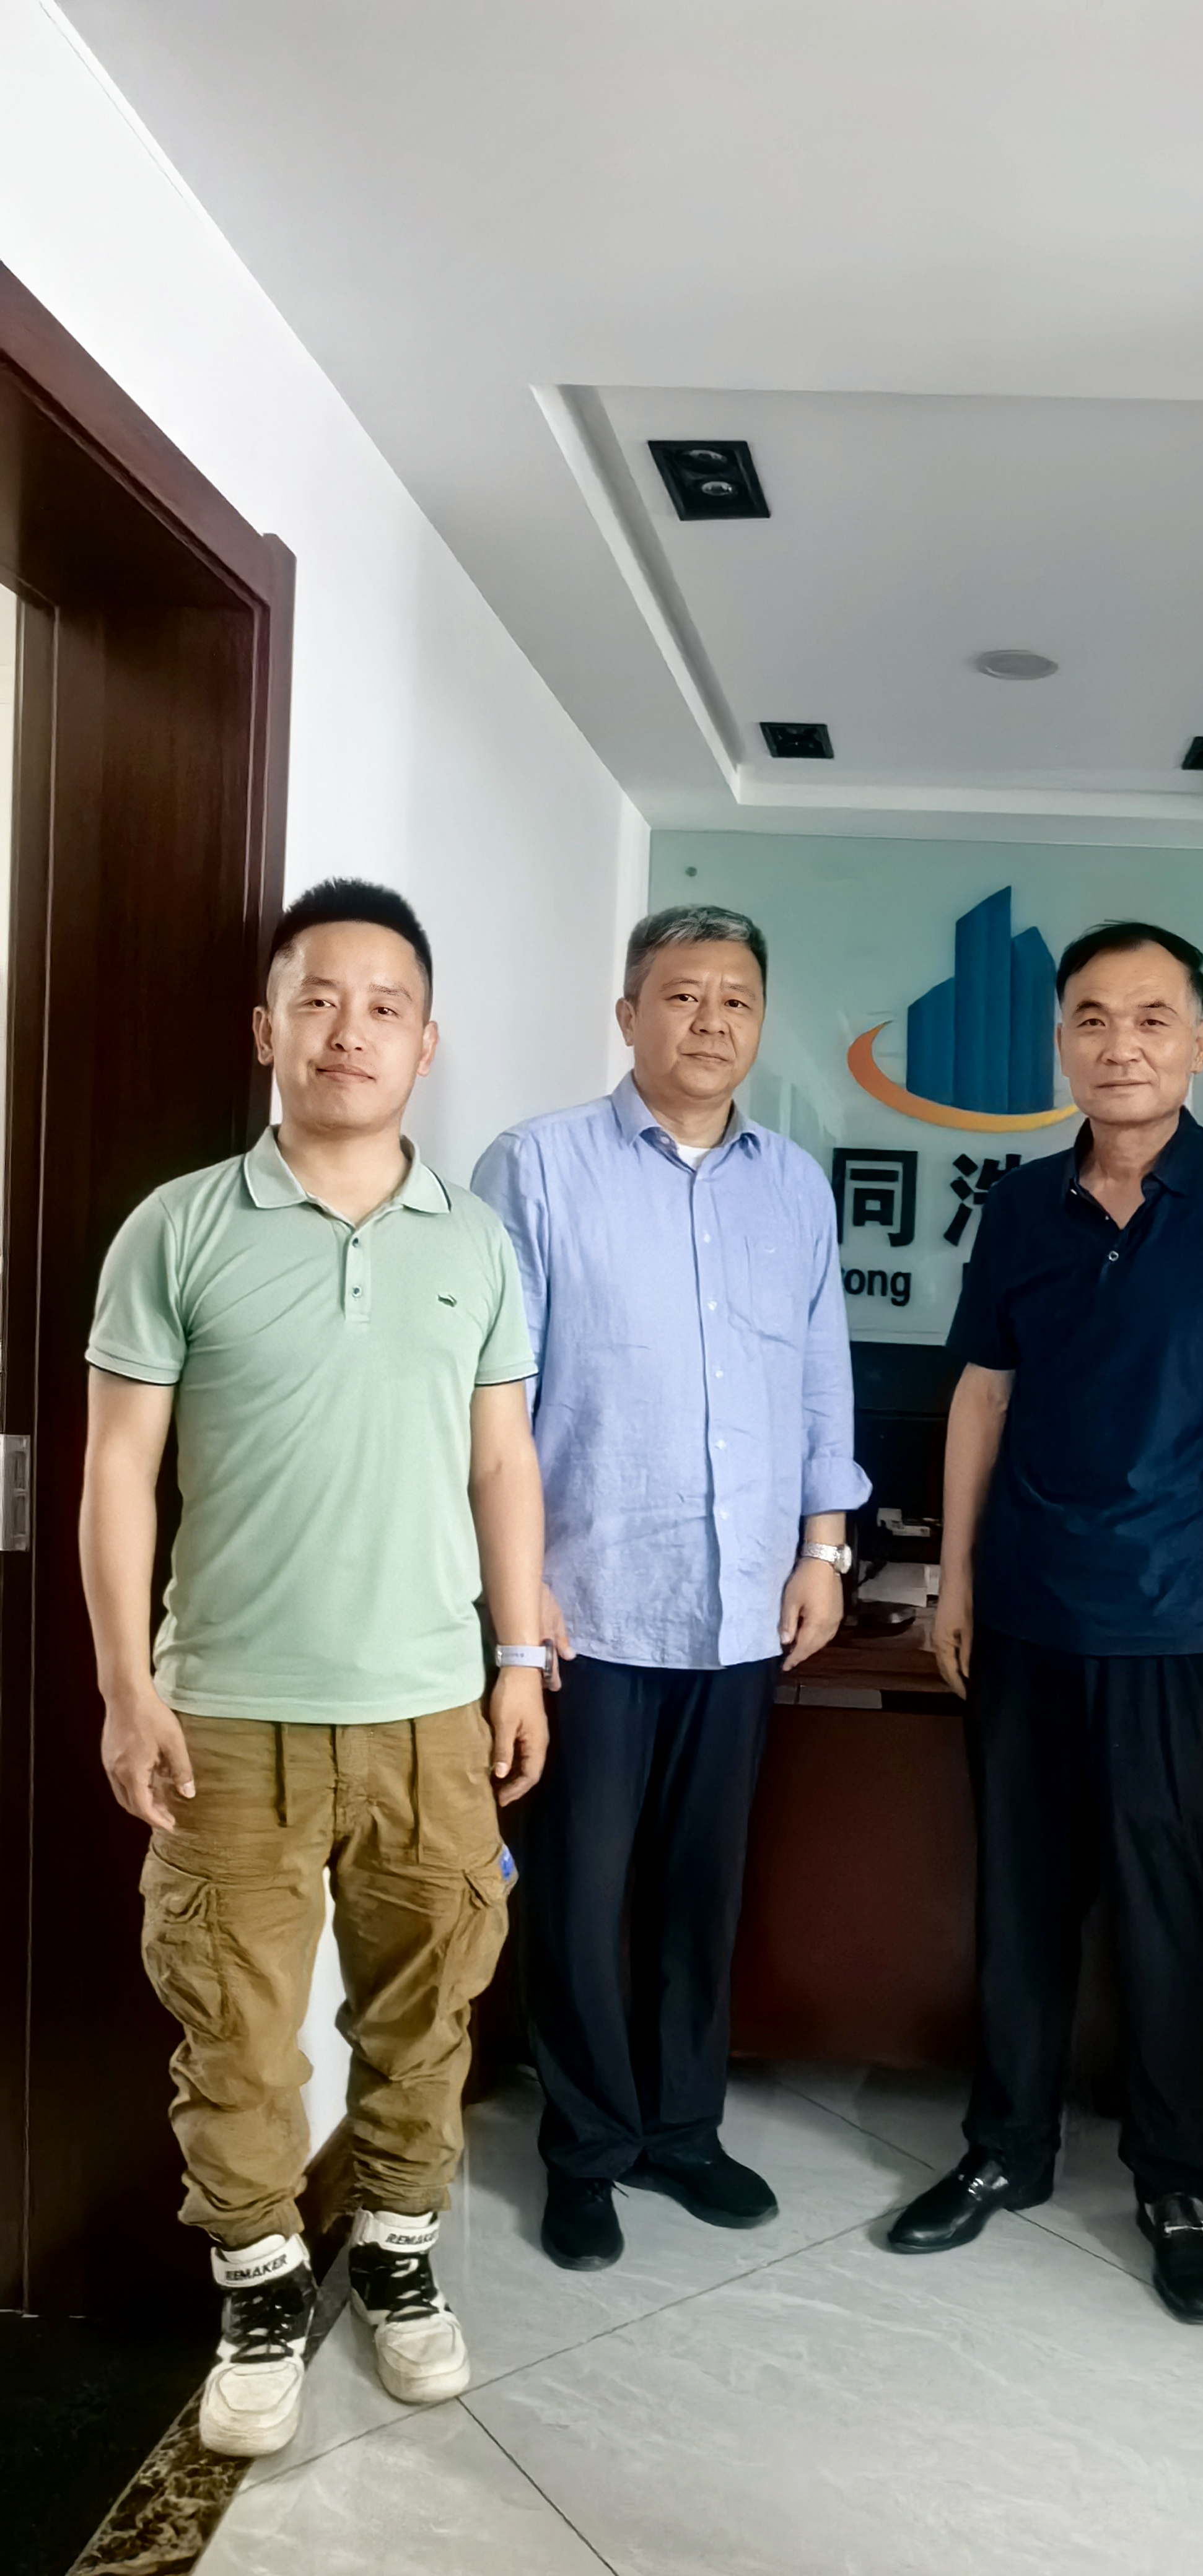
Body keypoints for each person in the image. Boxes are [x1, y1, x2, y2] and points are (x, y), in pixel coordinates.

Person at [79, 879, 548, 2459]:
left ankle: (400, 2254)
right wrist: (126, 1684)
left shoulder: (477, 1243)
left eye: (384, 1004)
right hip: (226, 1713)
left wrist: (518, 1658)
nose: (352, 1030)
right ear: (266, 1027)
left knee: (429, 2009)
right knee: (232, 2026)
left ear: (427, 1041)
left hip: (429, 1712)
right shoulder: (177, 1228)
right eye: (319, 999)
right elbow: (118, 1469)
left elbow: (503, 1463)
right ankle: (261, 2290)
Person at [886, 921, 1203, 2323]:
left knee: (1165, 1913)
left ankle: (1176, 2179)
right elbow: (981, 1393)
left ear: (1199, 1042)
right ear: (1060, 1044)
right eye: (1091, 1018)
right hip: (1028, 1610)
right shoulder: (1023, 1204)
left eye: (1151, 1018)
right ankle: (1005, 2149)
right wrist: (957, 1577)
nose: (1120, 1044)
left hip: (1181, 1617)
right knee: (1019, 1900)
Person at [473, 902, 868, 2272]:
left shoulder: (794, 1187)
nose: (711, 1020)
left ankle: (683, 2130)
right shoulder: (538, 1166)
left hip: (741, 1603)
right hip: (586, 1604)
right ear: (628, 1012)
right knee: (580, 1893)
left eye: (736, 1000)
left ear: (762, 1025)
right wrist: (518, 1590)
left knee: (705, 1886)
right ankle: (585, 2147)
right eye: (683, 994)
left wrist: (824, 1549)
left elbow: (822, 1378)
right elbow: (492, 1392)